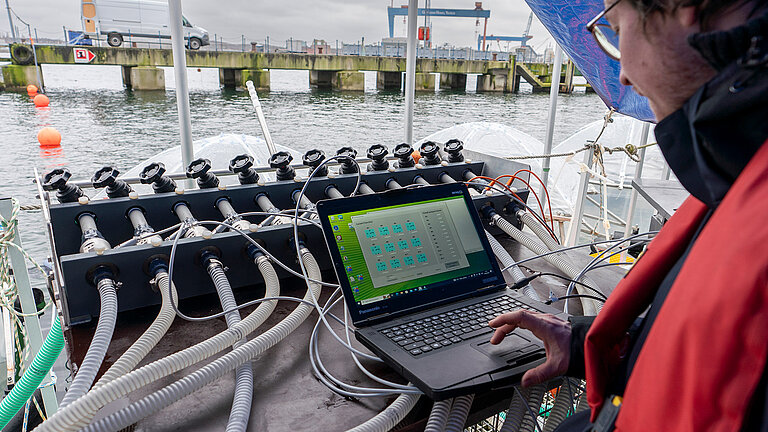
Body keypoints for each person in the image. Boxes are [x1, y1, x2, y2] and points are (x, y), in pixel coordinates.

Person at [488, 0, 768, 430]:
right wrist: (580, 343)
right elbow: (708, 355)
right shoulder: (734, 173)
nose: (621, 73)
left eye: (616, 32)